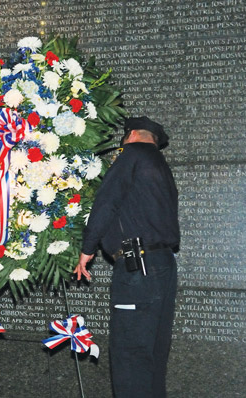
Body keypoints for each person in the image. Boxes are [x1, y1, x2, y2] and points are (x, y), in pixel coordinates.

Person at [74, 116, 179, 398]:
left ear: (130, 135)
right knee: (153, 354)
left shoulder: (130, 156)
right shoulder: (160, 167)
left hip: (138, 267)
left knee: (130, 354)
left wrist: (87, 249)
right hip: (163, 264)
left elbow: (106, 203)